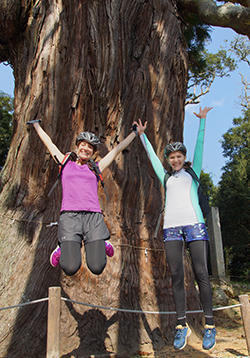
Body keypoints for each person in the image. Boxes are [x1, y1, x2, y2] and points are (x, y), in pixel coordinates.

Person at [135, 106, 216, 351]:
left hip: (195, 225)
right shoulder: (166, 177)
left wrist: (202, 122)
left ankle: (210, 326)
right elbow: (151, 157)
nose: (176, 159)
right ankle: (181, 325)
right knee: (176, 277)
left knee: (201, 274)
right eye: (172, 157)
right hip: (171, 228)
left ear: (184, 157)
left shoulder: (193, 172)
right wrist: (142, 135)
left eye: (179, 156)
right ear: (169, 161)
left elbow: (200, 146)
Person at [27, 119, 141, 276]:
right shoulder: (65, 163)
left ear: (93, 152)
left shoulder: (96, 168)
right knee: (70, 267)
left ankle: (102, 242)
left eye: (90, 147)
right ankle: (62, 247)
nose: (86, 148)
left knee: (97, 267)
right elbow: (49, 143)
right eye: (83, 144)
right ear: (78, 146)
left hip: (93, 217)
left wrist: (135, 133)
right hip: (70, 217)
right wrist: (36, 125)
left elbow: (117, 150)